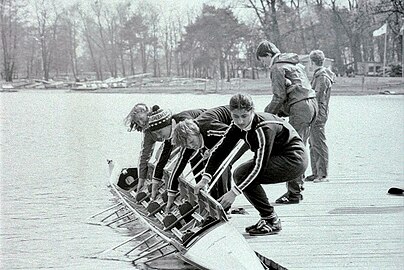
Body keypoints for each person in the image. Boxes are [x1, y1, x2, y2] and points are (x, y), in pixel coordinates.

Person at [195, 93, 308, 236]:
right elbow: (219, 152)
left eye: (244, 116)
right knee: (240, 173)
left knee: (243, 174)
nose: (240, 121)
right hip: (280, 156)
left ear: (252, 111)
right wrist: (205, 179)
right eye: (235, 116)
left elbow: (259, 166)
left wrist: (234, 192)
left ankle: (271, 220)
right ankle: (268, 218)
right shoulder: (236, 126)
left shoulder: (263, 128)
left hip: (294, 160)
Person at [256, 40, 317, 204]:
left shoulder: (277, 68)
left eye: (263, 61)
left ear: (268, 55)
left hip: (300, 108)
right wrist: (280, 113)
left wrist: (264, 117)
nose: (264, 65)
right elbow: (295, 90)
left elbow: (279, 97)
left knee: (293, 148)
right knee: (300, 145)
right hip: (311, 105)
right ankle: (297, 188)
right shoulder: (294, 64)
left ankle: (294, 194)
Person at [167, 105, 248, 212]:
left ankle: (222, 205)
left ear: (194, 132)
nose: (192, 147)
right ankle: (216, 200)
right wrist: (170, 197)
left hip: (243, 126)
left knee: (221, 162)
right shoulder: (189, 140)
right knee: (211, 162)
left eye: (191, 142)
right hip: (222, 134)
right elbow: (179, 166)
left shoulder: (208, 128)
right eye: (188, 146)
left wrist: (212, 150)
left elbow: (234, 135)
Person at [146, 106, 206, 198]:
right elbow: (164, 156)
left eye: (159, 132)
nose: (159, 136)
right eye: (156, 134)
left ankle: (212, 199)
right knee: (192, 161)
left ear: (167, 125)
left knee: (199, 160)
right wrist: (155, 182)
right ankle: (202, 194)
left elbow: (186, 157)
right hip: (196, 139)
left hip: (208, 132)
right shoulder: (171, 129)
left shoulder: (183, 124)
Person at [305, 50, 335, 183]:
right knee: (313, 143)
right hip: (315, 112)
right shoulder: (319, 75)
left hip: (319, 113)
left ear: (312, 62)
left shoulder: (322, 76)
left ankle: (323, 174)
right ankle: (316, 171)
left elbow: (317, 96)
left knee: (319, 143)